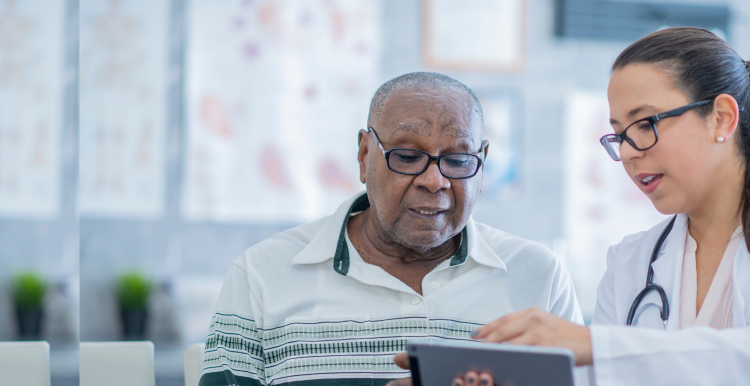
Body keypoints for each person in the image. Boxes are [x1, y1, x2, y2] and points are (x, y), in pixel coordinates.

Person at [402, 27, 750, 386]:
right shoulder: (631, 262)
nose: (628, 152)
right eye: (621, 134)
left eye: (646, 124)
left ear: (722, 117)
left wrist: (596, 345)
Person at [198, 72, 583, 386]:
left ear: (481, 163)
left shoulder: (538, 276)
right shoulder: (263, 273)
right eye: (407, 156)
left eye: (458, 159)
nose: (435, 180)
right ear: (365, 156)